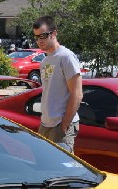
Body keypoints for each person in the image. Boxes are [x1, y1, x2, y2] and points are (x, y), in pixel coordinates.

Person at [32, 16, 82, 153]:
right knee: (44, 168)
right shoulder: (45, 61)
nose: (39, 40)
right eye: (36, 37)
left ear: (54, 33)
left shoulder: (66, 57)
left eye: (43, 36)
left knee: (63, 171)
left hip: (61, 125)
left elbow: (77, 94)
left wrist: (64, 124)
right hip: (45, 125)